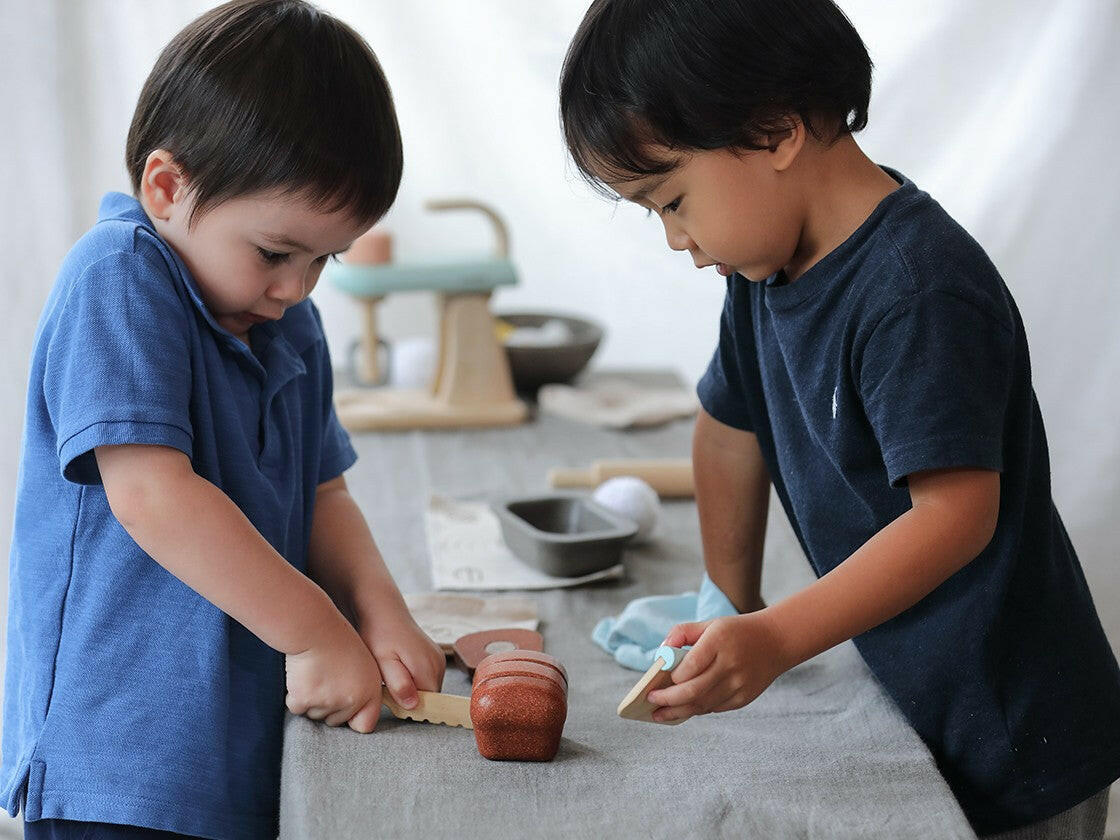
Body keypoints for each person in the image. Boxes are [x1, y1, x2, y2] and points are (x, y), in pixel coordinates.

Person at [559, 0, 1120, 836]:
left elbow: (956, 517)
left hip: (1015, 727)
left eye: (672, 200)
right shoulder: (760, 275)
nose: (675, 238)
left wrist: (779, 637)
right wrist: (732, 600)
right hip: (912, 691)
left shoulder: (916, 290)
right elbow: (728, 429)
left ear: (777, 130)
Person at [1, 2, 445, 838]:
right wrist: (316, 632)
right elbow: (152, 496)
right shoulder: (120, 277)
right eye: (278, 253)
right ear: (167, 188)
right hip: (123, 755)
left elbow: (324, 493)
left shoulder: (287, 320)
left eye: (326, 259)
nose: (299, 287)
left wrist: (379, 609)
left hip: (233, 741)